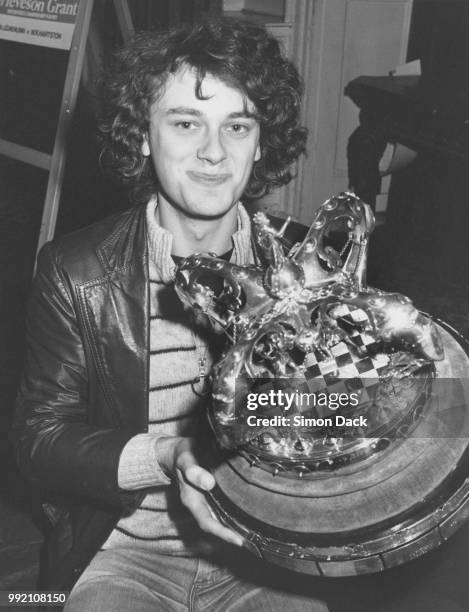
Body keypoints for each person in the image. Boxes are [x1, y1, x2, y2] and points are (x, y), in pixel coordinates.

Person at [13, 17, 328, 611]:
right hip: (122, 558)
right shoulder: (75, 271)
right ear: (144, 136)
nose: (214, 152)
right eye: (186, 123)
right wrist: (165, 456)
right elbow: (38, 442)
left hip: (266, 558)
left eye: (237, 125)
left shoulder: (309, 267)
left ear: (260, 143)